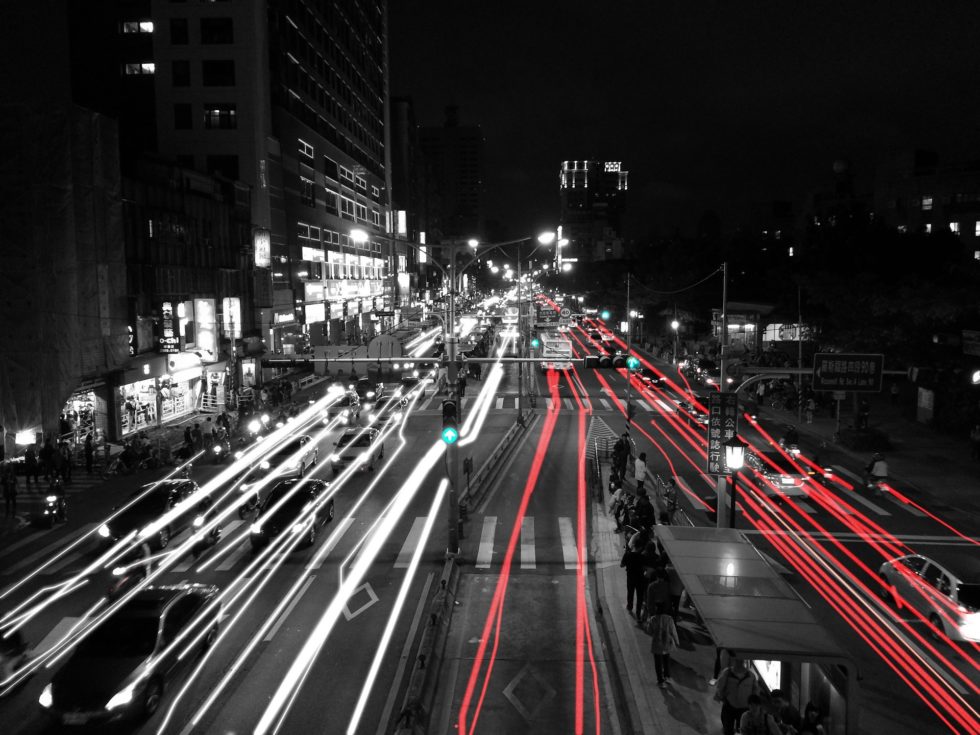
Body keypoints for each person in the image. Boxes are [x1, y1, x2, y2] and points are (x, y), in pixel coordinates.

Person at [714, 655, 760, 735]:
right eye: (737, 661)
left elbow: (755, 691)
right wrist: (722, 697)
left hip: (744, 708)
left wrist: (754, 705)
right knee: (727, 728)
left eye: (740, 661)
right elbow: (720, 687)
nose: (739, 663)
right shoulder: (727, 673)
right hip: (729, 706)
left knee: (744, 729)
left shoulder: (751, 676)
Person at [648, 603, 679, 688]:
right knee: (666, 660)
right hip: (666, 643)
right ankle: (667, 676)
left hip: (657, 644)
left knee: (658, 662)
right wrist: (677, 641)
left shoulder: (653, 619)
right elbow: (673, 631)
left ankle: (660, 680)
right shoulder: (669, 619)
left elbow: (649, 631)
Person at [621, 542, 647, 617]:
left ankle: (630, 607)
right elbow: (645, 568)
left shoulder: (627, 555)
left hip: (630, 578)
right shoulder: (642, 557)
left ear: (634, 546)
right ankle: (638, 614)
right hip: (640, 579)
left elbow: (621, 565)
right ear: (640, 548)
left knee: (630, 593)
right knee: (640, 596)